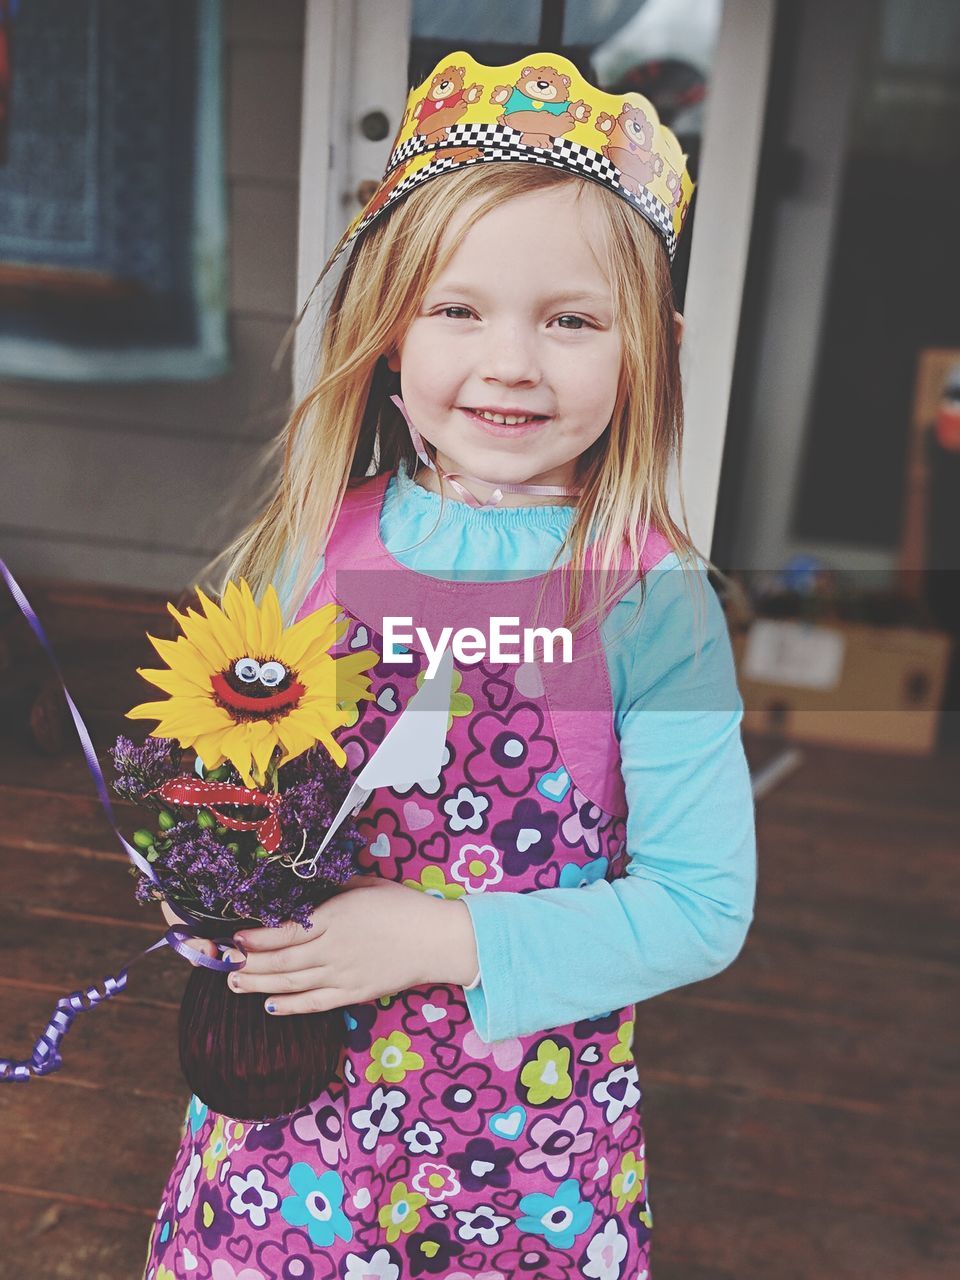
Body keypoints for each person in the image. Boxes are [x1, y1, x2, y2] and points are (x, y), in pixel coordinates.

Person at [144, 50, 756, 1280]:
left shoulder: (652, 599)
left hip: (518, 1155)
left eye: (572, 318)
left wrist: (439, 936)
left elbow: (702, 905)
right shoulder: (311, 547)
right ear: (385, 328)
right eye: (458, 308)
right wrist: (198, 884)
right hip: (284, 1135)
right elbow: (214, 783)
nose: (512, 360)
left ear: (655, 346)